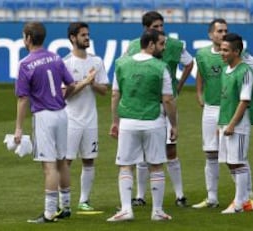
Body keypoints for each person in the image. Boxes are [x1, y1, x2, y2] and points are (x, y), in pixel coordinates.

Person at [14, 22, 90, 223]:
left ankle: (49, 212)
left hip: (44, 116)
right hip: (62, 113)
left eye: (24, 36)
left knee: (49, 167)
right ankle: (65, 207)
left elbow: (23, 99)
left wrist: (19, 128)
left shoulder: (25, 64)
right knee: (62, 162)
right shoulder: (56, 58)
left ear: (29, 38)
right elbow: (71, 84)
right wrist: (61, 99)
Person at [193, 18, 253, 210]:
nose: (223, 34)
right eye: (219, 31)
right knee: (212, 152)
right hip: (212, 109)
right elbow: (201, 73)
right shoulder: (202, 55)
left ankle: (248, 196)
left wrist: (245, 91)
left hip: (232, 109)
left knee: (236, 155)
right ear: (210, 34)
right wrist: (199, 93)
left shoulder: (239, 56)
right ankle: (212, 197)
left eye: (225, 30)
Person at [107, 29, 177, 222]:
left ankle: (126, 209)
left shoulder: (121, 64)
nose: (164, 48)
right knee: (156, 165)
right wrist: (174, 124)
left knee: (125, 166)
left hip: (128, 122)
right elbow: (168, 99)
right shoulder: (161, 67)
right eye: (161, 44)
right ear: (151, 44)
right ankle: (157, 211)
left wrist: (115, 121)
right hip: (154, 121)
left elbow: (115, 94)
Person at [126, 11, 193, 207]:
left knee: (171, 149)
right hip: (143, 104)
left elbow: (189, 64)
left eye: (161, 26)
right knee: (142, 153)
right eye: (156, 27)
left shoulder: (173, 45)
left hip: (166, 104)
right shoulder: (133, 46)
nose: (160, 30)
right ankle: (140, 196)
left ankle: (180, 195)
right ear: (146, 29)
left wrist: (178, 87)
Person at [63, 22, 109, 211]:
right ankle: (63, 200)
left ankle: (84, 200)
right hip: (70, 119)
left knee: (89, 159)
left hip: (90, 119)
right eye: (83, 35)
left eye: (88, 34)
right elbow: (64, 94)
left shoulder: (96, 62)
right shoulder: (65, 63)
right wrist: (85, 81)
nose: (87, 38)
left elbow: (104, 90)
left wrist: (92, 83)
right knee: (66, 161)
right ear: (73, 38)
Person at [217, 33, 253, 213]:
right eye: (221, 49)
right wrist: (220, 125)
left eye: (226, 50)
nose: (222, 53)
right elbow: (226, 99)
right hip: (225, 122)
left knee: (239, 162)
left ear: (237, 52)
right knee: (230, 161)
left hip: (238, 125)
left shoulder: (245, 72)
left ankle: (240, 202)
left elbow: (244, 101)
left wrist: (233, 124)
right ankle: (244, 200)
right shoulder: (226, 70)